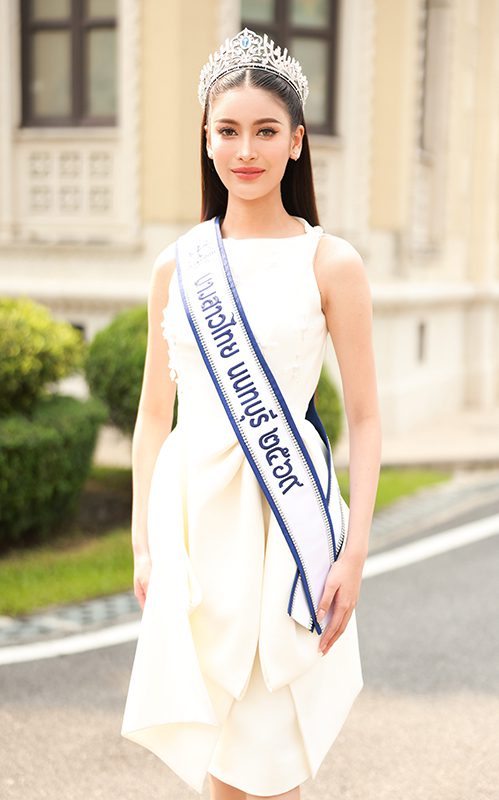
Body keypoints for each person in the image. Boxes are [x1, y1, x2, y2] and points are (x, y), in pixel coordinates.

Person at [121, 27, 381, 800]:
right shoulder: (177, 266)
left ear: (296, 143)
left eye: (266, 131)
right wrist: (143, 543)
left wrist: (353, 553)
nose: (245, 150)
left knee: (266, 758)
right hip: (194, 528)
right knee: (217, 754)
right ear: (205, 140)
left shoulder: (331, 263)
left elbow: (366, 417)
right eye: (227, 131)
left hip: (283, 527)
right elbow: (152, 416)